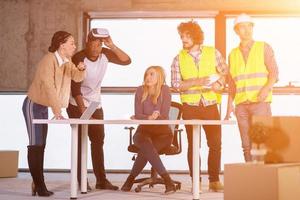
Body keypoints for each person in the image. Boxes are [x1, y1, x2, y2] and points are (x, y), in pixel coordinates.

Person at [22, 31, 86, 197]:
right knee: (35, 144)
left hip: (45, 107)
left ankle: (37, 183)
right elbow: (49, 87)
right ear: (61, 44)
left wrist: (81, 69)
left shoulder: (67, 61)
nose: (74, 46)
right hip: (33, 105)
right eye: (71, 43)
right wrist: (57, 111)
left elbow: (77, 78)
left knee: (42, 145)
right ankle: (40, 185)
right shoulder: (48, 60)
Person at [67, 28, 131, 191]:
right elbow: (75, 90)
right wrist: (84, 113)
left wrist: (112, 46)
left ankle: (101, 180)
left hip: (95, 104)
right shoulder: (79, 58)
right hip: (77, 104)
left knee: (97, 141)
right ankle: (81, 180)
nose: (96, 47)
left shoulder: (105, 54)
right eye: (93, 44)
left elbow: (126, 61)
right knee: (80, 141)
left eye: (99, 44)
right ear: (87, 43)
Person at [171, 21, 228, 192]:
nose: (183, 38)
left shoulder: (212, 52)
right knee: (194, 145)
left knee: (215, 144)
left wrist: (220, 83)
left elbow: (224, 72)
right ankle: (196, 181)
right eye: (181, 36)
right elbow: (175, 84)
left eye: (186, 35)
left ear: (196, 36)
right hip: (190, 106)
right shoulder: (178, 58)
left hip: (210, 104)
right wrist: (198, 81)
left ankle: (214, 180)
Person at [224, 13, 279, 162]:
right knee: (246, 145)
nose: (247, 30)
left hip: (260, 104)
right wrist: (229, 107)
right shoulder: (233, 54)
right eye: (242, 27)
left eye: (249, 26)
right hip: (241, 106)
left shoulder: (264, 47)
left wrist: (266, 89)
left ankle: (264, 176)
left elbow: (274, 73)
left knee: (262, 143)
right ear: (236, 31)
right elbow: (232, 84)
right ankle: (251, 175)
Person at [121, 66, 176, 194]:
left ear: (159, 78)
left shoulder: (165, 90)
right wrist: (149, 117)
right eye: (146, 74)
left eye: (152, 74)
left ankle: (130, 179)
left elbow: (164, 115)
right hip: (143, 131)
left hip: (163, 134)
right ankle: (168, 181)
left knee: (146, 150)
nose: (148, 77)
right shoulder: (140, 90)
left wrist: (155, 116)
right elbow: (138, 115)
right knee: (146, 145)